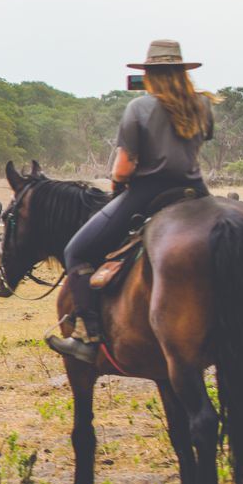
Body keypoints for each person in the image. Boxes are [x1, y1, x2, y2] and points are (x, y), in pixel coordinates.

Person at [47, 40, 214, 364]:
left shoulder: (139, 108)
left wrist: (117, 183)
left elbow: (124, 166)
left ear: (149, 74)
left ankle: (87, 335)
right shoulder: (203, 105)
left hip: (147, 193)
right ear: (181, 72)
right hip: (196, 191)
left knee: (76, 251)